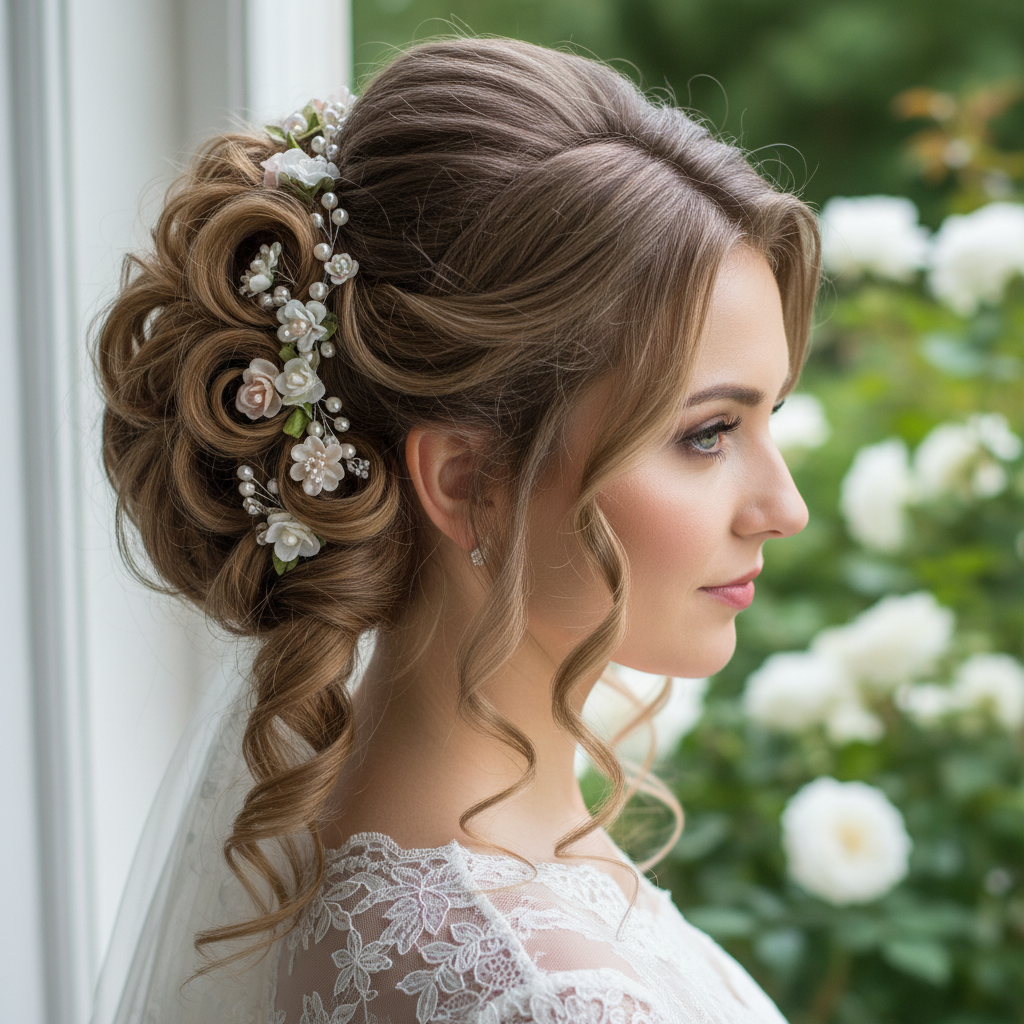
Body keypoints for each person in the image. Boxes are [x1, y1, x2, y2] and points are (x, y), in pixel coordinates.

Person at [93, 35, 818, 1024]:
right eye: (707, 434)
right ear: (467, 480)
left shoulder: (398, 872)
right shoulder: (547, 995)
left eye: (769, 416)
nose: (784, 506)